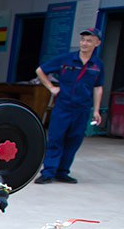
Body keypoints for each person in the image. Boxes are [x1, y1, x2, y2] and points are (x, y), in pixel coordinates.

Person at [34, 27, 104, 184]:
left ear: (97, 43)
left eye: (89, 41)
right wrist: (51, 87)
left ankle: (62, 172)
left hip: (82, 109)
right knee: (56, 139)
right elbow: (40, 70)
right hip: (63, 106)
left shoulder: (98, 64)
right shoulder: (66, 59)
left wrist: (96, 110)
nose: (84, 43)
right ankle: (48, 172)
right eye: (83, 40)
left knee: (74, 140)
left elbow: (98, 87)